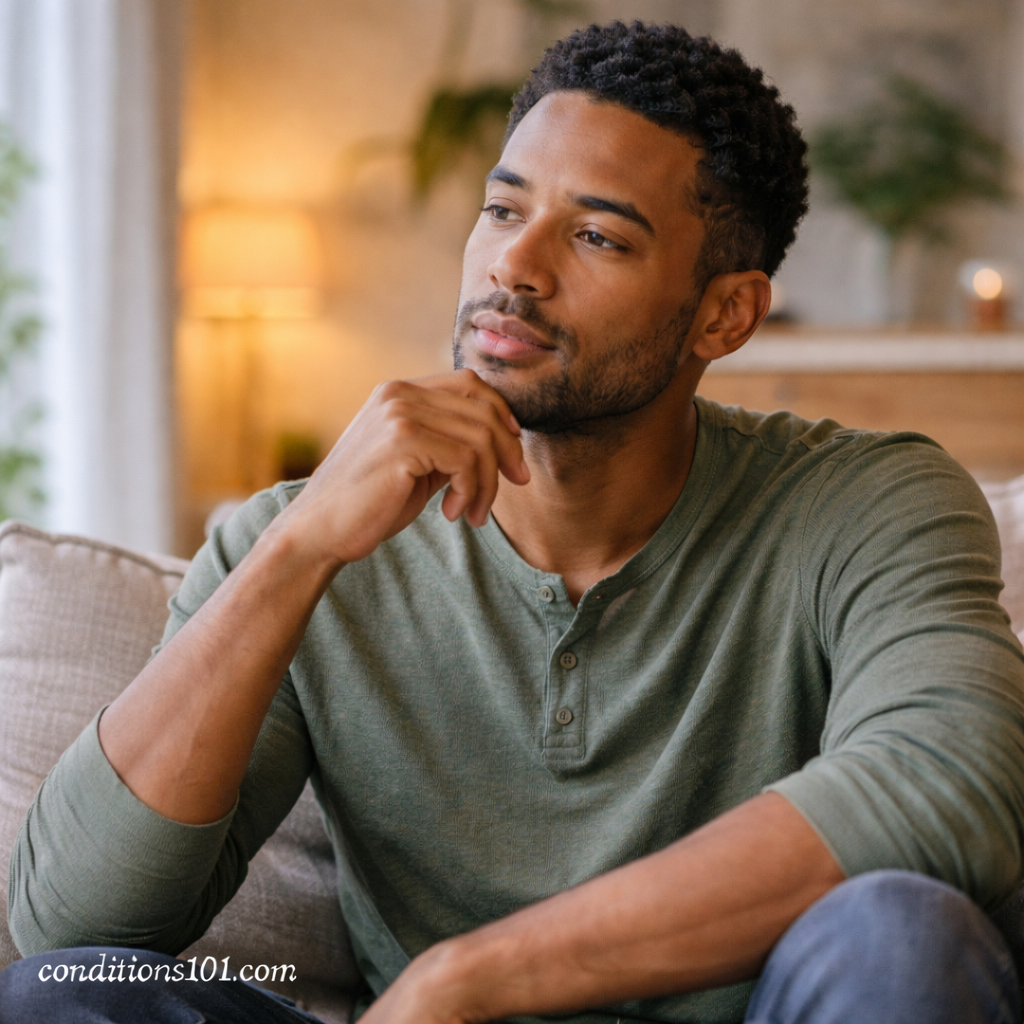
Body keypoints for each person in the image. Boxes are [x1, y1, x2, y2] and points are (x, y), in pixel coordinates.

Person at [4, 20, 1024, 1024]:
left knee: (901, 935)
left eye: (596, 236)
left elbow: (945, 790)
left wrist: (465, 980)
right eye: (501, 209)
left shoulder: (866, 504)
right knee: (63, 999)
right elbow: (71, 925)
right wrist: (296, 549)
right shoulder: (301, 542)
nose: (514, 267)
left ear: (726, 314)